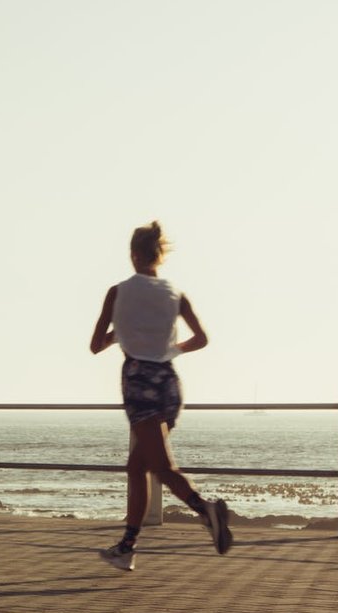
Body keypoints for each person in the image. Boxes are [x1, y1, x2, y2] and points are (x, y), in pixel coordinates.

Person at [89, 221, 231, 571]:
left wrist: (118, 334)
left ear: (134, 255)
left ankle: (206, 510)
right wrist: (171, 349)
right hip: (168, 383)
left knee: (162, 467)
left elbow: (95, 345)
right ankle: (127, 546)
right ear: (159, 256)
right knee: (137, 466)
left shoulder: (117, 292)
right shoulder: (175, 294)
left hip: (139, 381)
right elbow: (201, 339)